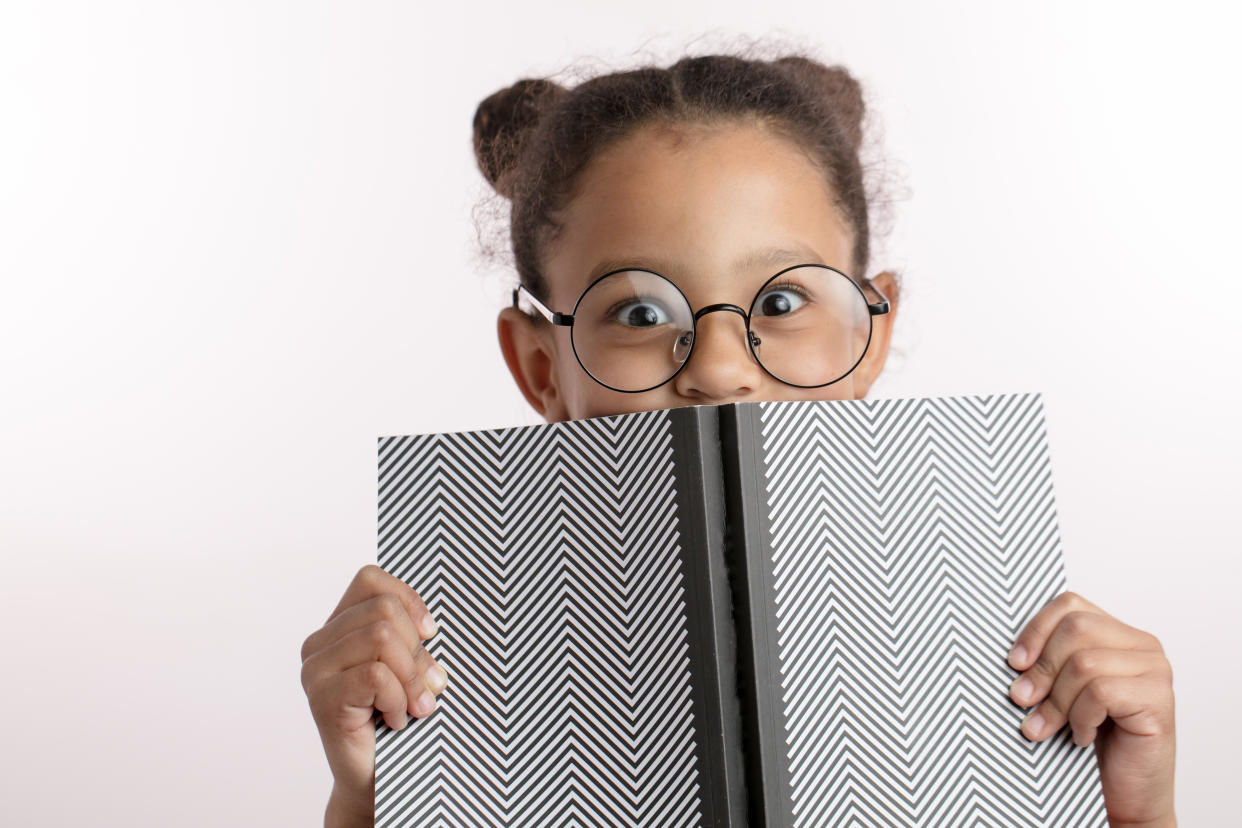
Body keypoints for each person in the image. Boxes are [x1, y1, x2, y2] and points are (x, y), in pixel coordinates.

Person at [299, 45, 1177, 828]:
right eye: (641, 311)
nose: (719, 368)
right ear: (540, 367)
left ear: (870, 331)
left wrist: (1140, 812)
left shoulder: (1002, 621)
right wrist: (368, 803)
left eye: (782, 302)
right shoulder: (446, 670)